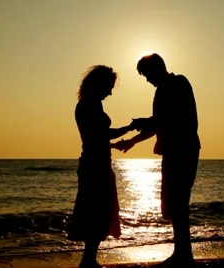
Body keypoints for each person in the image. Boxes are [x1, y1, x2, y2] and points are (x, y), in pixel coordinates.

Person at [113, 53, 201, 267]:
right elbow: (159, 123)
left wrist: (141, 128)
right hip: (177, 151)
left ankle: (183, 255)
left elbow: (164, 120)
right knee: (175, 204)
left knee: (177, 203)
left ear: (157, 69)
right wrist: (134, 139)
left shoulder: (175, 84)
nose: (147, 80)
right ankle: (183, 252)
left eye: (147, 75)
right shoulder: (169, 87)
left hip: (181, 151)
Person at [68, 65, 136, 268]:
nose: (111, 91)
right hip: (94, 165)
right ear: (100, 84)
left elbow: (95, 137)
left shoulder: (90, 104)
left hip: (96, 161)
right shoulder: (89, 105)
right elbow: (101, 134)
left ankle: (89, 259)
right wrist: (130, 128)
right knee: (97, 211)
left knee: (98, 211)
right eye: (110, 86)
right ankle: (88, 260)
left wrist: (115, 144)